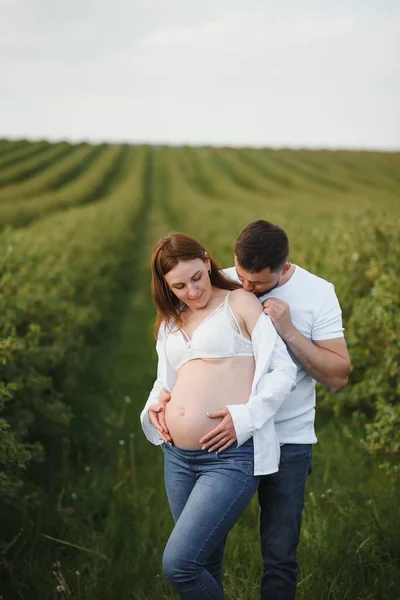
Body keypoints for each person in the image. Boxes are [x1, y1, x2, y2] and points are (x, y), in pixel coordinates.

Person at [157, 221, 351, 600]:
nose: (246, 288)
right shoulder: (217, 284)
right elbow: (176, 362)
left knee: (278, 555)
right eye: (241, 276)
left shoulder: (317, 293)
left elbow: (338, 377)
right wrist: (159, 403)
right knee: (200, 556)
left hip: (286, 437)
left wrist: (288, 329)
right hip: (218, 445)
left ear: (284, 266)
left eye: (258, 283)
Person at [140, 232, 297, 600]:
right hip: (177, 458)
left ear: (208, 261)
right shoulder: (170, 321)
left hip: (228, 458)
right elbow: (163, 382)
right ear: (166, 286)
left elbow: (282, 370)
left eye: (197, 277)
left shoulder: (239, 303)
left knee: (179, 565)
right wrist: (155, 409)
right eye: (179, 286)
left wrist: (245, 418)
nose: (192, 291)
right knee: (203, 564)